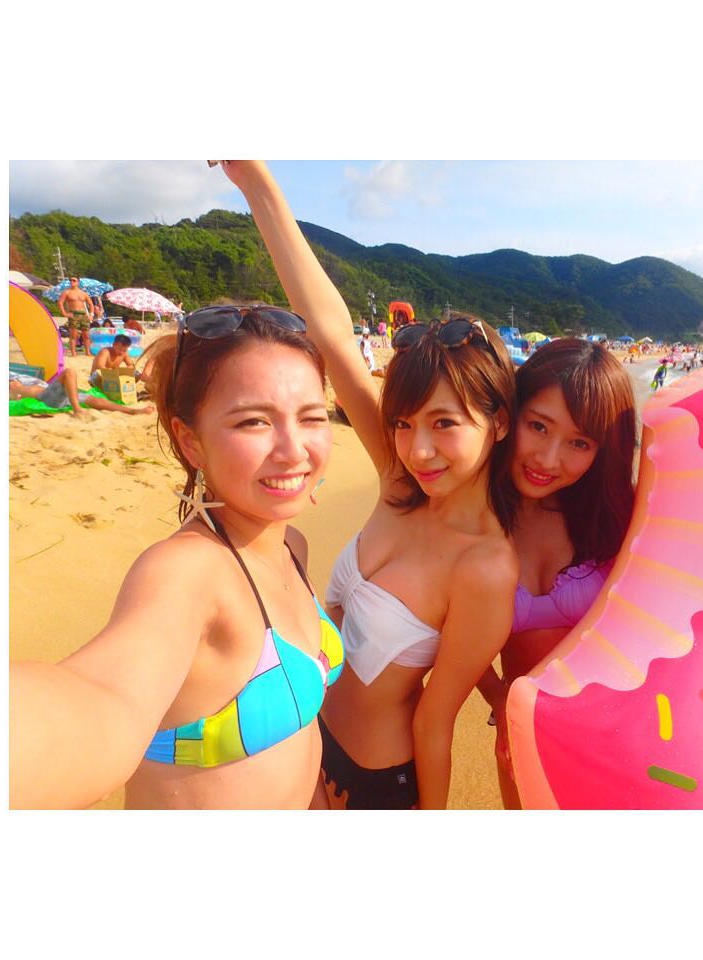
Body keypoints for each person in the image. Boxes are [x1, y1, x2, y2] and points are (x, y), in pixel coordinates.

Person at [220, 160, 519, 809]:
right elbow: (327, 330)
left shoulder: (487, 568)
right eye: (405, 423)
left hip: (375, 781)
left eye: (445, 423)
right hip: (302, 740)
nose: (419, 448)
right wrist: (256, 182)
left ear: (498, 422)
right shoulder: (400, 477)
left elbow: (435, 721)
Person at [475, 338, 703, 808]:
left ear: (603, 448)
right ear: (511, 417)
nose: (548, 458)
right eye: (538, 426)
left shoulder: (634, 520)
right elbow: (440, 617)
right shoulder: (474, 515)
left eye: (579, 443)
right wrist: (498, 699)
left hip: (633, 747)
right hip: (526, 741)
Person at [9, 307, 343, 808]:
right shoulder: (187, 572)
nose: (293, 449)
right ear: (191, 441)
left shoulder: (291, 545)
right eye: (254, 421)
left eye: (311, 417)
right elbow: (103, 697)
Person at [9, 367, 154, 419]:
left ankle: (133, 411)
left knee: (99, 401)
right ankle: (77, 410)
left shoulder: (24, 381)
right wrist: (15, 390)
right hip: (47, 397)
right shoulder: (14, 386)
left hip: (60, 394)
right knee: (69, 372)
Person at [58, 278, 94, 357]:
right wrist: (64, 313)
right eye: (70, 280)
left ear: (78, 282)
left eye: (74, 280)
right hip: (74, 314)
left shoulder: (83, 293)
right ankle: (73, 353)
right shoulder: (67, 292)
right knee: (73, 335)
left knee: (86, 335)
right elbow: (60, 302)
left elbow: (91, 304)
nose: (72, 282)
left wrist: (91, 314)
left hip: (83, 314)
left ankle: (87, 352)